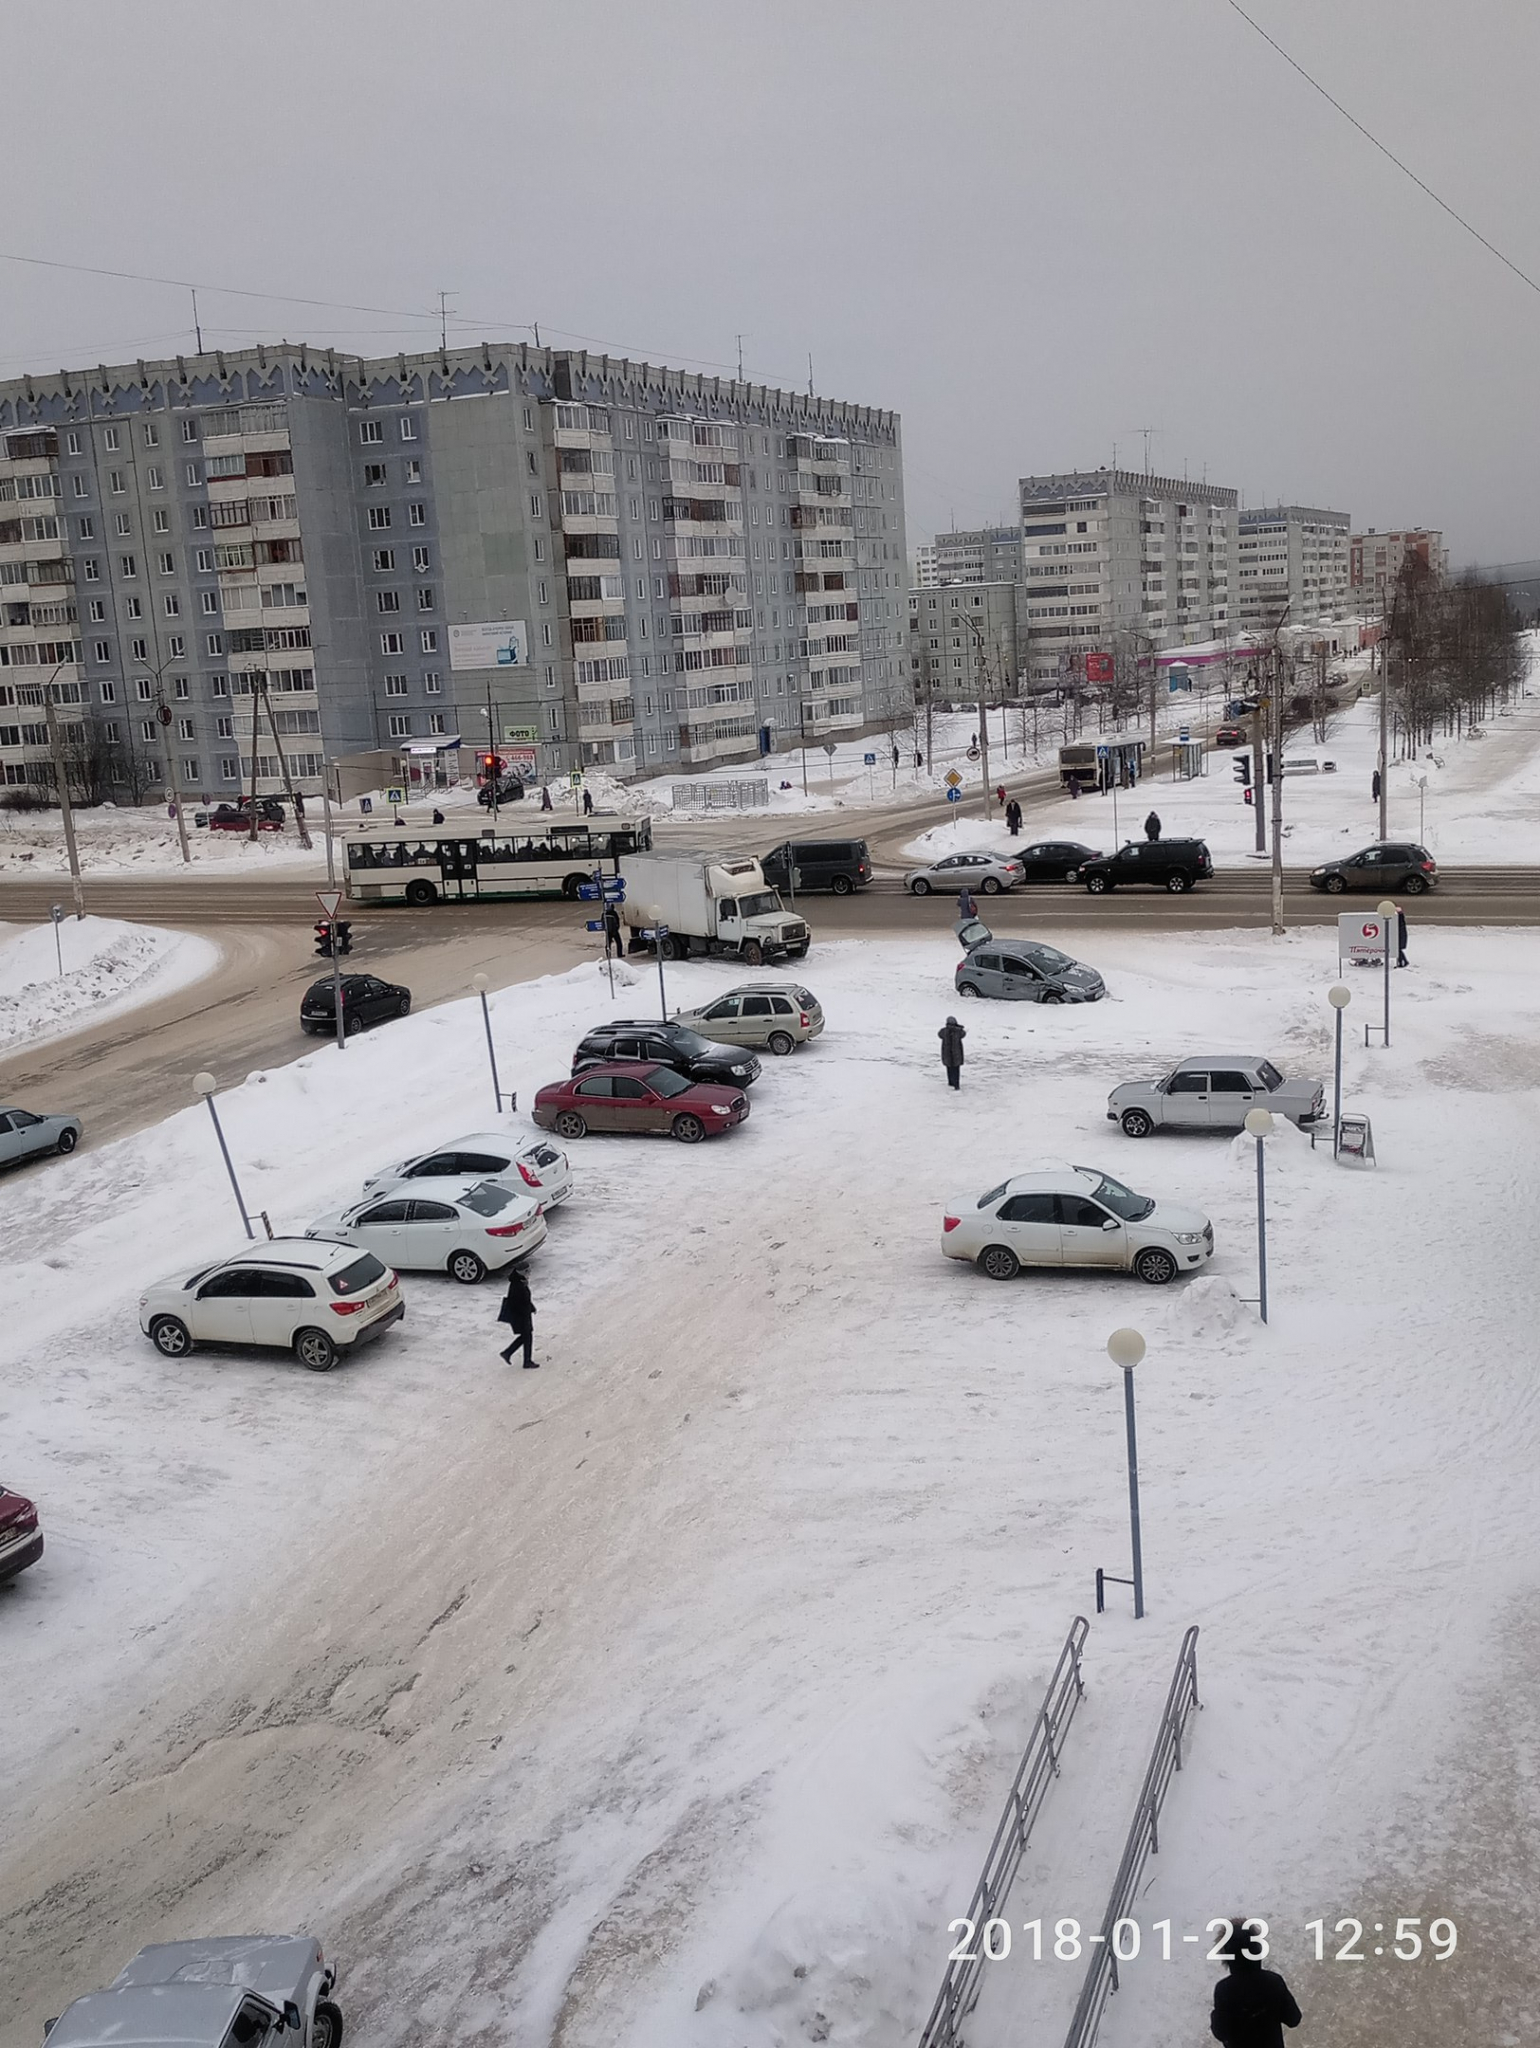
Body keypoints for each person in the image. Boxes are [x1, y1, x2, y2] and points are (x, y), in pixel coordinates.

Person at [1209, 1918, 1301, 2045]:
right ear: (1257, 1949)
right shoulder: (1273, 1982)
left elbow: (1221, 2032)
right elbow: (1293, 2019)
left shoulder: (1224, 1990)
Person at [497, 1262, 538, 1369]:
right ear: (524, 1272)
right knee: (527, 1336)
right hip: (520, 1316)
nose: (530, 1273)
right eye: (528, 1271)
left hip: (523, 1314)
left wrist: (531, 1307)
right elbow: (518, 1302)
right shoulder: (517, 1285)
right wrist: (526, 1310)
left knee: (526, 1336)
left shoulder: (520, 1281)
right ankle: (525, 1361)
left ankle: (508, 1353)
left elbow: (525, 1299)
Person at [939, 1014, 966, 1091]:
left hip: (947, 1053)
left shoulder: (944, 1031)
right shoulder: (958, 1031)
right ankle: (956, 1084)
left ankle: (950, 1082)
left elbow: (939, 1035)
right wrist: (959, 1027)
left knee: (949, 1068)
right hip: (957, 1053)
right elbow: (963, 1033)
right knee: (956, 1069)